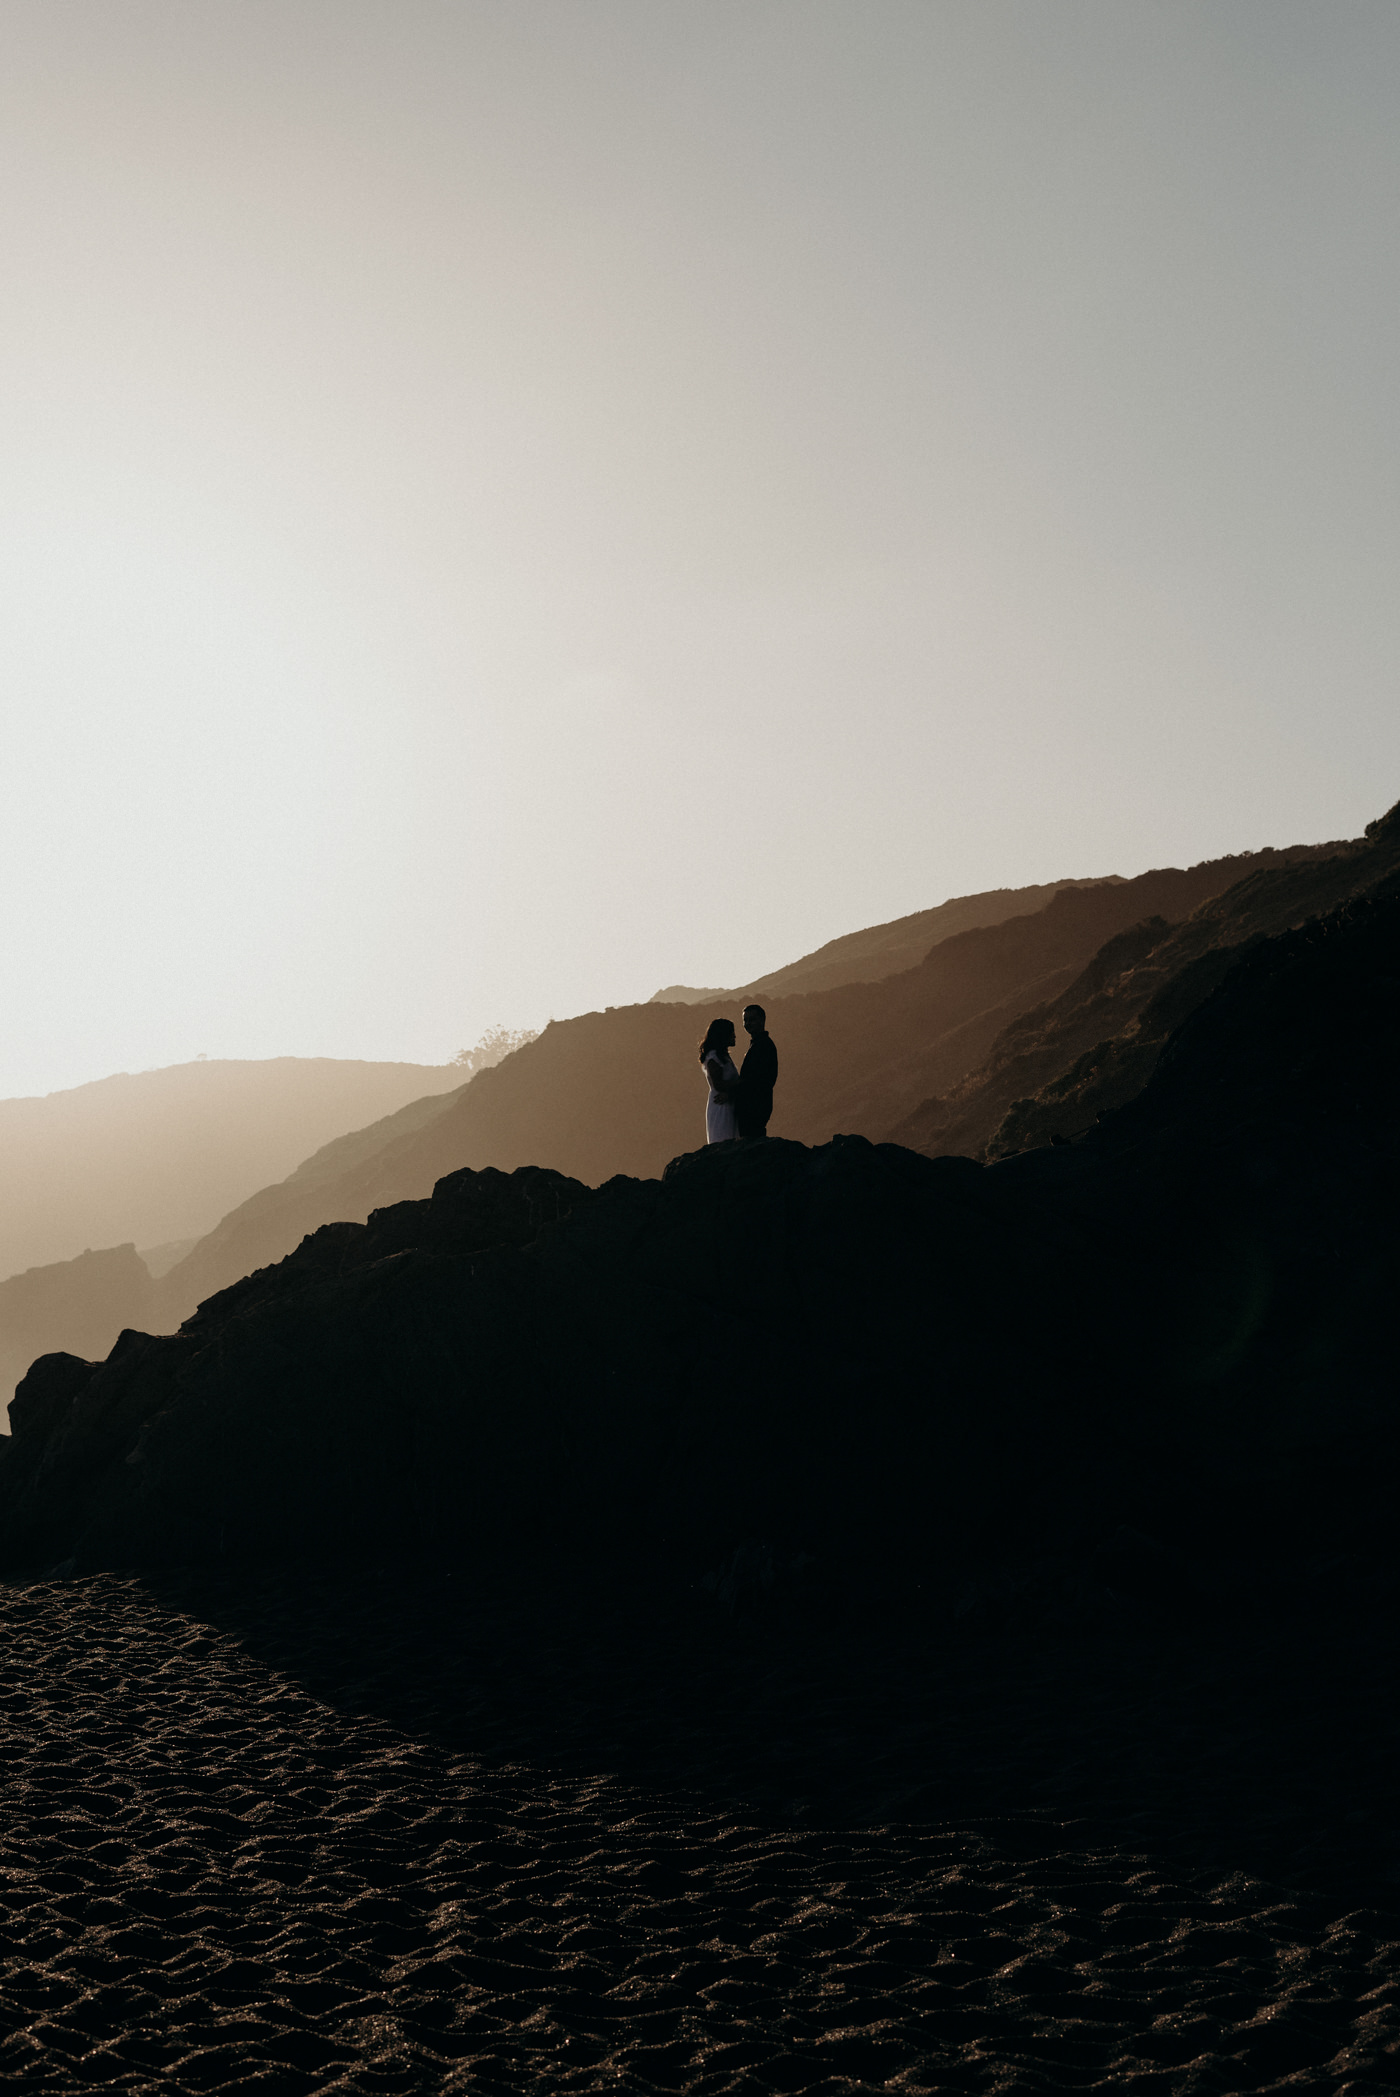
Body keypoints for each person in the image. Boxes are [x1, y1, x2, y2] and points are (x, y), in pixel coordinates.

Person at [735, 1004, 779, 1139]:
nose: (748, 1024)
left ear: (762, 1020)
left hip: (755, 1105)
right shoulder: (758, 1044)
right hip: (755, 1104)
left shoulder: (764, 1046)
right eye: (745, 1020)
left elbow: (760, 1078)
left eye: (752, 1019)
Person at [698, 1017, 741, 1144]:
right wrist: (741, 1082)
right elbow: (718, 1084)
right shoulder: (713, 1058)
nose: (734, 1036)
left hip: (728, 1102)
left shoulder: (723, 1056)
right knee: (724, 1140)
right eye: (731, 1032)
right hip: (721, 1106)